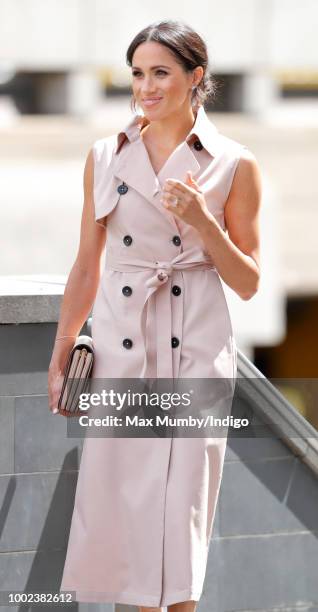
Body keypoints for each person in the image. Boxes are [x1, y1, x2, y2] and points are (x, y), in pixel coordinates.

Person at [48, 19, 262, 612]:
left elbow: (247, 281)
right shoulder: (105, 156)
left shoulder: (235, 164)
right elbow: (87, 266)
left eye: (161, 73)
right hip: (124, 351)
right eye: (138, 73)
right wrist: (63, 350)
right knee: (126, 523)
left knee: (181, 518)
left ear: (196, 78)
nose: (146, 86)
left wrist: (203, 221)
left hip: (197, 347)